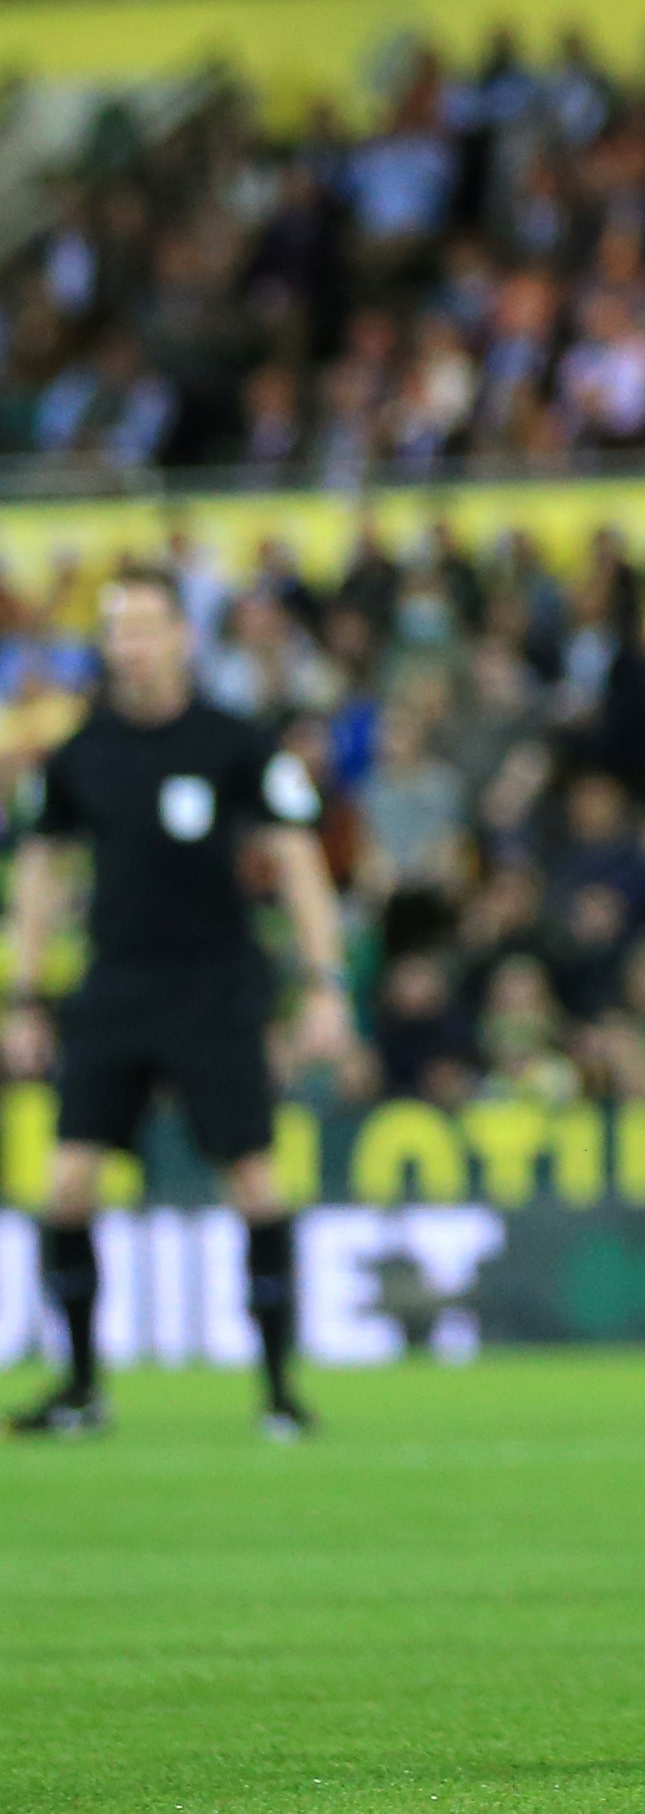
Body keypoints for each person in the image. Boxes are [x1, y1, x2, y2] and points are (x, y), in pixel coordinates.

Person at [4, 568, 358, 1438]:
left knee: (255, 1177)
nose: (132, 643)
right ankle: (82, 1386)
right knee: (69, 1181)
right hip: (116, 985)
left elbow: (299, 859)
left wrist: (324, 983)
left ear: (181, 636)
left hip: (216, 984)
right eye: (118, 628)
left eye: (147, 625)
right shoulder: (82, 753)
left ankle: (279, 1390)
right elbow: (43, 869)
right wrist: (23, 991)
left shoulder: (235, 741)